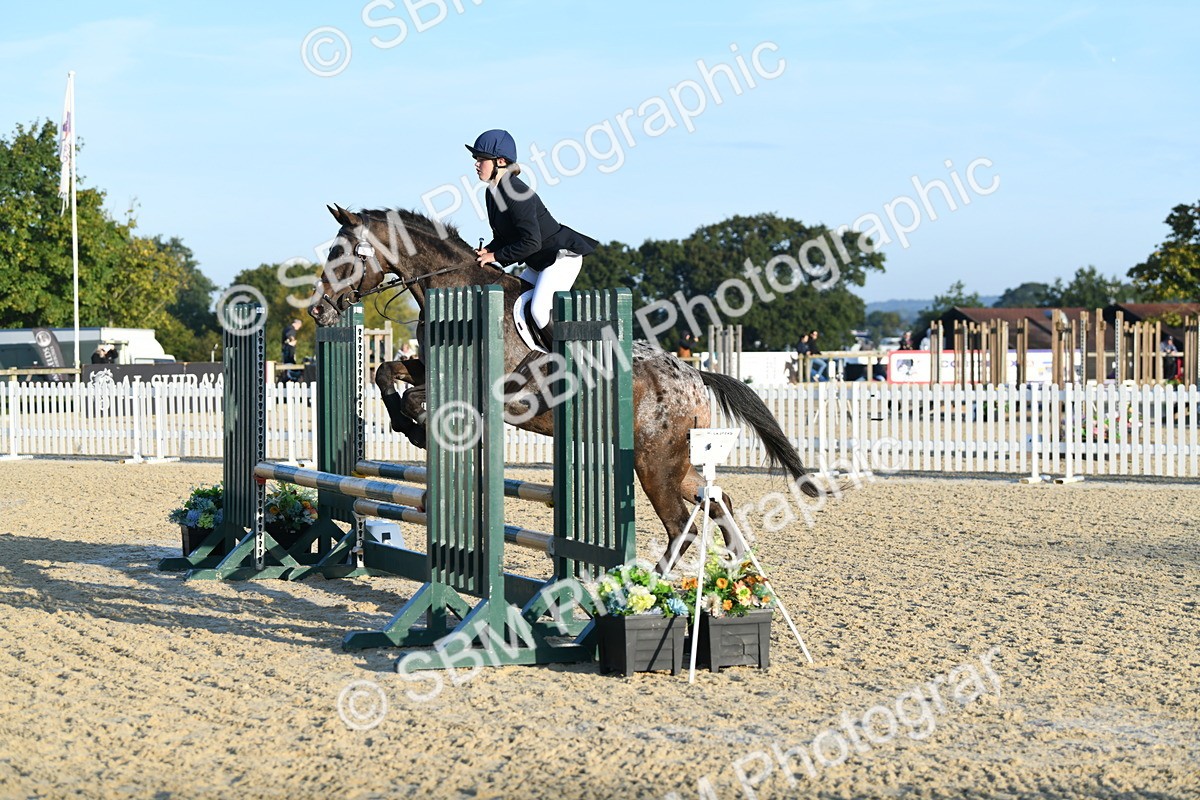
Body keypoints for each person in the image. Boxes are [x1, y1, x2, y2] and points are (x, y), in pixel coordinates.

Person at [468, 129, 598, 351]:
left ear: (501, 161)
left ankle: (573, 360)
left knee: (539, 311)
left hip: (560, 259)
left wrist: (495, 256)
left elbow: (531, 242)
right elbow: (503, 237)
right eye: (476, 159)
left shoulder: (517, 193)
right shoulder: (492, 192)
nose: (477, 164)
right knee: (512, 304)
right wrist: (488, 250)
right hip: (538, 262)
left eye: (482, 159)